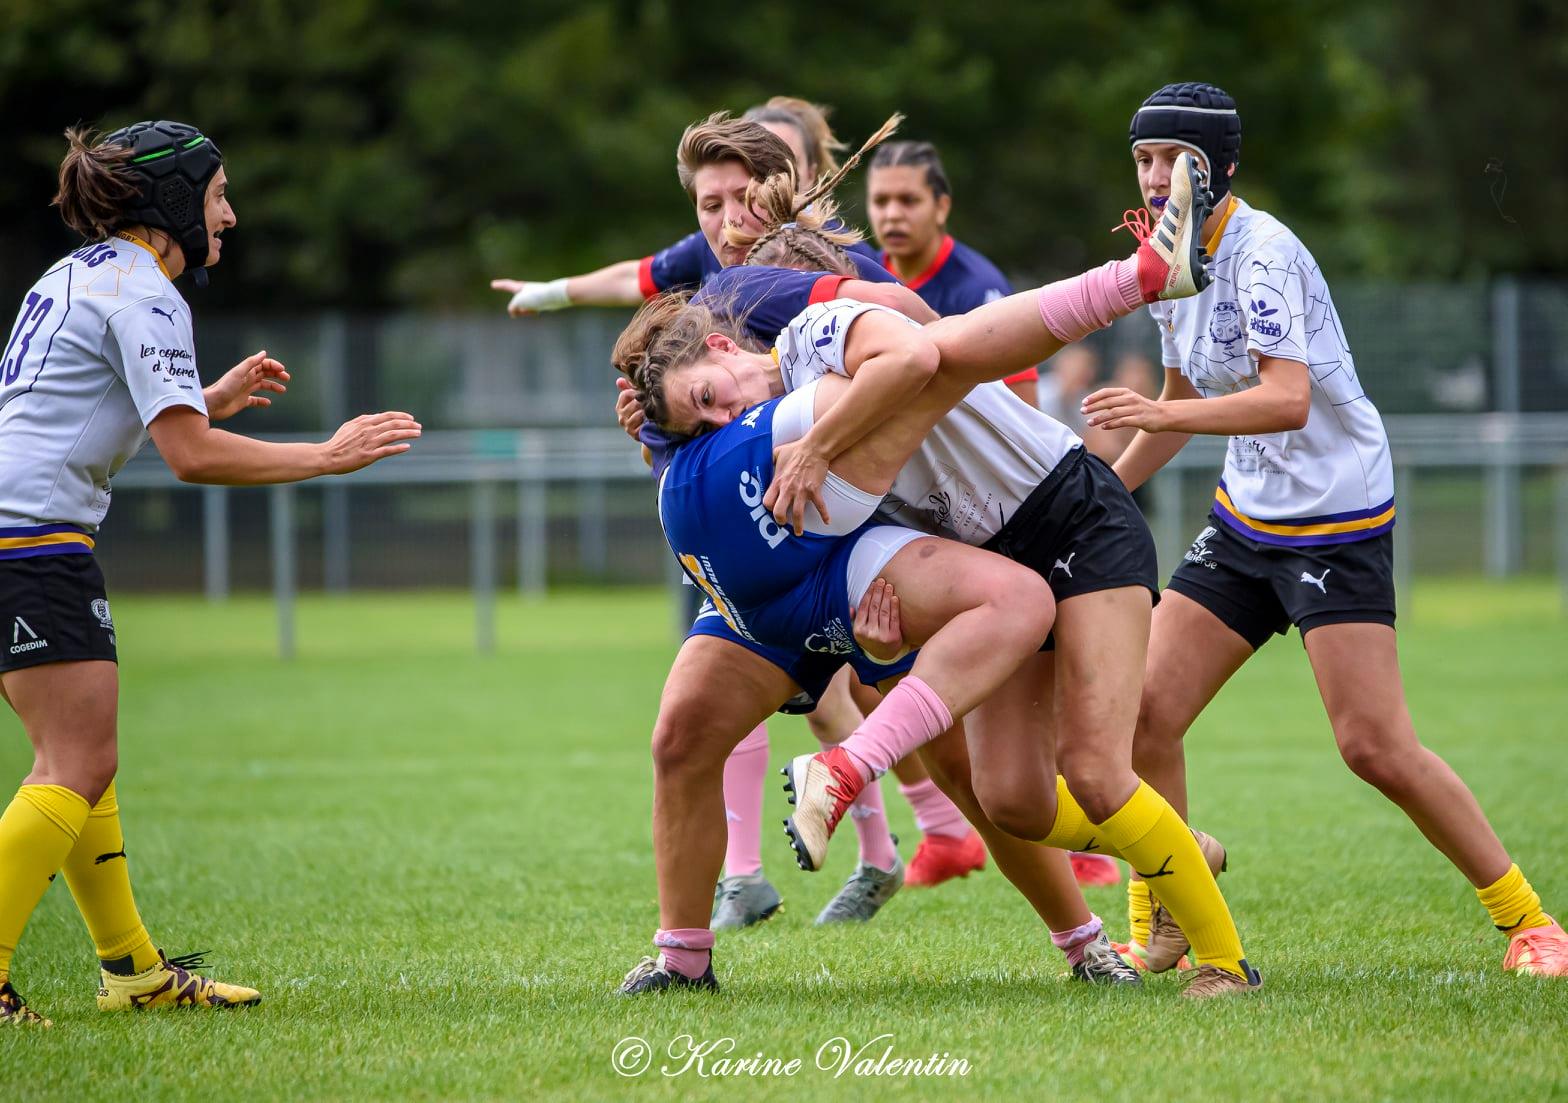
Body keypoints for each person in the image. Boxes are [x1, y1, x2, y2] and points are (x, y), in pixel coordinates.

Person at [620, 153, 1263, 999]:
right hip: (997, 550)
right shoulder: (787, 398)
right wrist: (880, 631)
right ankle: (1169, 848)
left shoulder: (824, 337)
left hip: (1076, 521)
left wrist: (812, 432)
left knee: (1100, 770)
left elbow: (920, 347)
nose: (724, 415)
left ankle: (1226, 964)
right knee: (1016, 800)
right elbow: (875, 524)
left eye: (711, 395)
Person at [1083, 81, 1568, 977]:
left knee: (1373, 746)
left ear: (1214, 165)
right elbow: (1179, 400)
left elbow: (1285, 398)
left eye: (1168, 160)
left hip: (1336, 519)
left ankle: (1531, 922)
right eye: (1141, 159)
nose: (1151, 177)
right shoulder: (1165, 256)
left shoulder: (1264, 253)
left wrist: (1159, 423)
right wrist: (1098, 497)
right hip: (1244, 518)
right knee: (1145, 709)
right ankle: (1169, 916)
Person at [0, 121, 422, 1026]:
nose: (228, 213)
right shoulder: (145, 291)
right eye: (218, 193)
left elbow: (92, 419)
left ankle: (132, 970)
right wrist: (325, 454)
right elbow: (189, 458)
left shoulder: (78, 274)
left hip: (27, 534)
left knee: (84, 765)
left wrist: (206, 398)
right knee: (76, 761)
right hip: (28, 542)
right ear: (170, 202)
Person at [489, 96, 883, 312]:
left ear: (809, 174)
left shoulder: (847, 258)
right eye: (713, 203)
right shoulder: (708, 262)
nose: (732, 218)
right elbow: (633, 279)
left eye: (777, 165)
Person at [867, 141, 1040, 407]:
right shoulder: (861, 279)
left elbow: (1026, 411)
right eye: (881, 201)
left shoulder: (980, 289)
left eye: (908, 200)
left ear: (941, 208)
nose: (892, 215)